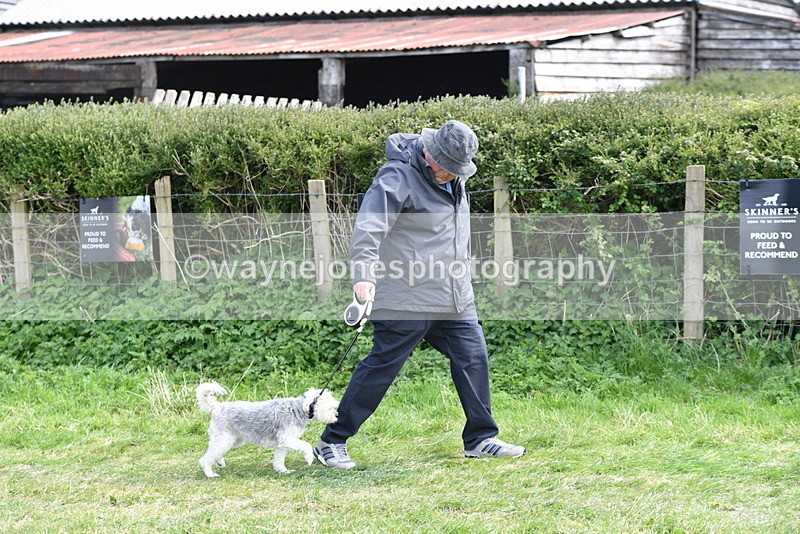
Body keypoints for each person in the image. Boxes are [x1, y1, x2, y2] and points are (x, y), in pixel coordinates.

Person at [314, 120, 524, 469]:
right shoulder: (396, 178)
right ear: (430, 155)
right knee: (382, 367)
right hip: (405, 296)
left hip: (454, 294)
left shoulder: (454, 175)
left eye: (459, 170)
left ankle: (480, 438)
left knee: (473, 359)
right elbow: (368, 229)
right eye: (447, 169)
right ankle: (331, 441)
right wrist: (364, 278)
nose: (453, 175)